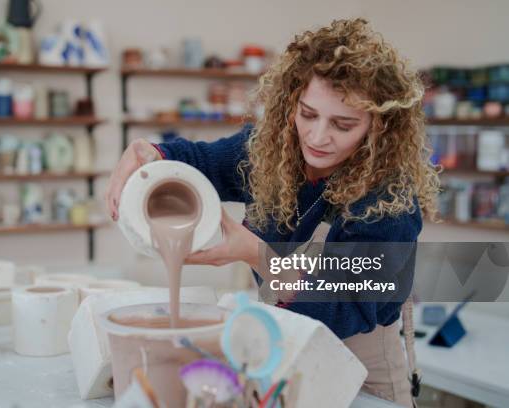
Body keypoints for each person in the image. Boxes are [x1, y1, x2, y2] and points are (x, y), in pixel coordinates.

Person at [106, 18, 440, 407]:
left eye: (343, 124)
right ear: (291, 101)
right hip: (279, 351)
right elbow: (200, 162)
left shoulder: (389, 203)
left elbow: (338, 310)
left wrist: (256, 253)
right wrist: (149, 153)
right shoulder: (268, 154)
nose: (316, 137)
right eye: (308, 114)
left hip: (362, 371)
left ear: (377, 127)